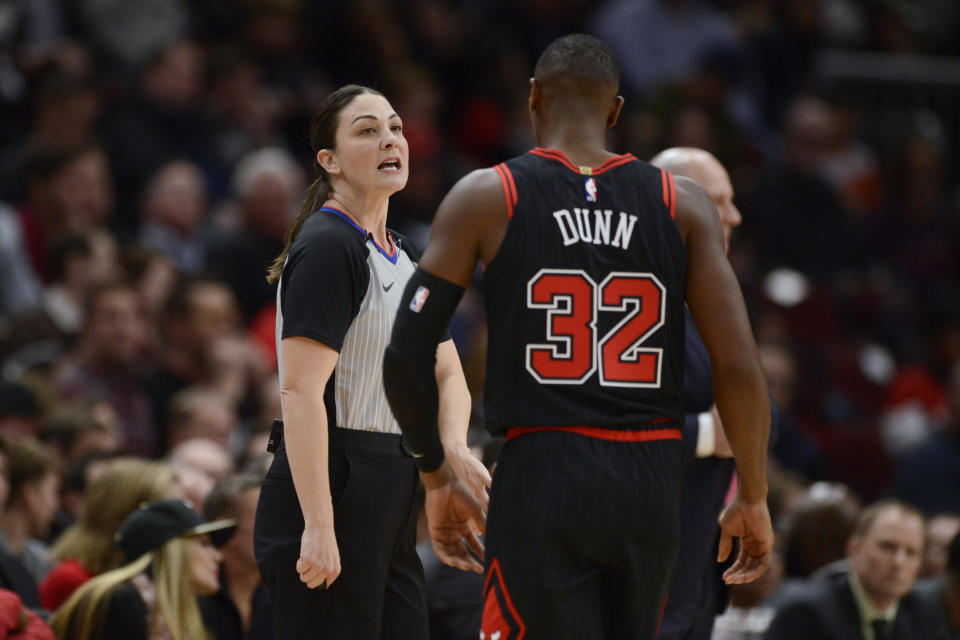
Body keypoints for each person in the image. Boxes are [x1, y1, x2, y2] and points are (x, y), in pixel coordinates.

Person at [383, 34, 773, 640]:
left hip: (543, 470)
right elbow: (741, 368)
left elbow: (406, 355)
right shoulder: (683, 202)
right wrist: (753, 492)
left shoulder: (489, 194)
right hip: (649, 481)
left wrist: (436, 477)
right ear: (615, 111)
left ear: (533, 98)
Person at [252, 84, 488, 640]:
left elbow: (449, 370)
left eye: (396, 128)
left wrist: (452, 446)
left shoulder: (403, 253)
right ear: (328, 161)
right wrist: (317, 524)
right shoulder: (329, 246)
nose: (391, 140)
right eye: (367, 130)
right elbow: (300, 393)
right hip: (333, 486)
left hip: (391, 488)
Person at [649, 146, 764, 640]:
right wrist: (704, 434)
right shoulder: (636, 295)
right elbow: (597, 429)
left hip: (698, 575)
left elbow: (762, 414)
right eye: (720, 202)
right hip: (648, 571)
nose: (735, 216)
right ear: (673, 206)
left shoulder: (713, 298)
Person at [49, 498, 235, 640]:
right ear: (172, 551)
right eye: (204, 544)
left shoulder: (195, 608)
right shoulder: (121, 601)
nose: (218, 557)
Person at [763, 500, 931, 640]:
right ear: (854, 549)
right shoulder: (806, 614)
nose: (898, 562)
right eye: (887, 547)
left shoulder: (921, 614)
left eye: (911, 553)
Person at [39, 457, 179, 611]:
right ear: (130, 514)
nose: (182, 524)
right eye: (168, 514)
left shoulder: (156, 574)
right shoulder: (73, 580)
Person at [200, 473, 273, 639]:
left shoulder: (280, 603)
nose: (279, 532)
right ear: (225, 530)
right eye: (266, 520)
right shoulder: (192, 601)